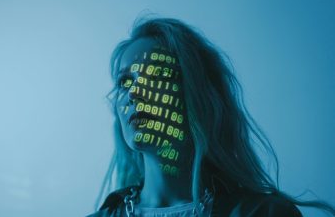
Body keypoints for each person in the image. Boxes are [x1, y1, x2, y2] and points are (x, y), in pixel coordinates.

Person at [87, 17, 335, 217]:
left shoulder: (264, 213)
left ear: (199, 95)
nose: (134, 92)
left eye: (157, 76)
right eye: (124, 81)